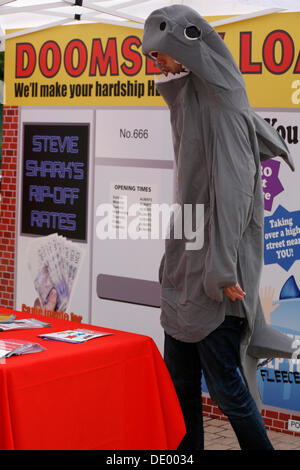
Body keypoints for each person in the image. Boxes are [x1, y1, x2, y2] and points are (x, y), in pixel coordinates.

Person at [142, 5, 295, 451]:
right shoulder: (194, 98)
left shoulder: (224, 104)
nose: (158, 66)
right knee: (180, 386)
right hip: (184, 274)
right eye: (152, 59)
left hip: (215, 282)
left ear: (186, 46)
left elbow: (233, 194)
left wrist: (223, 270)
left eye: (161, 56)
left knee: (229, 393)